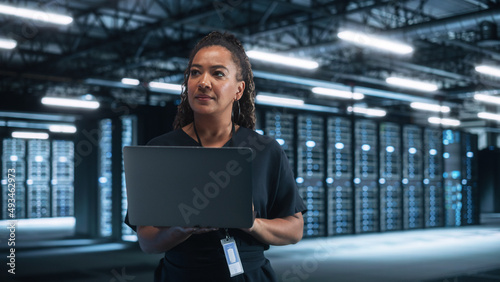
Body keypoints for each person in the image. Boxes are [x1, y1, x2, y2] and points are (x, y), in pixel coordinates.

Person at [125, 31, 306, 281]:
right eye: (195, 72)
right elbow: (147, 242)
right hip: (181, 275)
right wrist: (180, 228)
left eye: (217, 73)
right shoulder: (161, 150)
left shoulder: (265, 150)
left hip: (248, 275)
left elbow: (294, 230)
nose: (203, 82)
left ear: (239, 90)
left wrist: (251, 223)